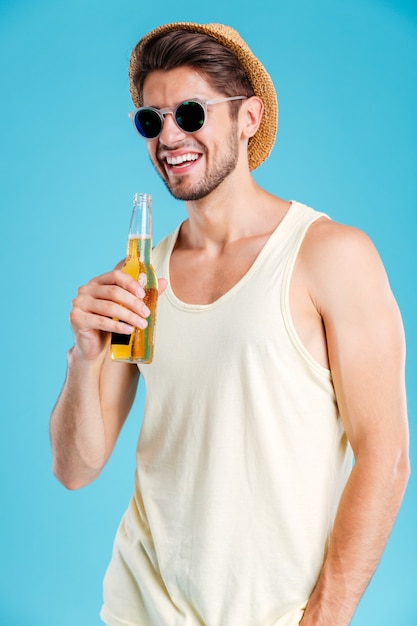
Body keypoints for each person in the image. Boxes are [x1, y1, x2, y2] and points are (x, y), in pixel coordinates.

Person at [49, 22, 410, 626]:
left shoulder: (330, 256)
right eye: (150, 120)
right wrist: (84, 358)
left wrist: (327, 616)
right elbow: (74, 468)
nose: (169, 136)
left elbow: (387, 455)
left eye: (191, 113)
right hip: (139, 608)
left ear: (248, 118)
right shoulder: (140, 278)